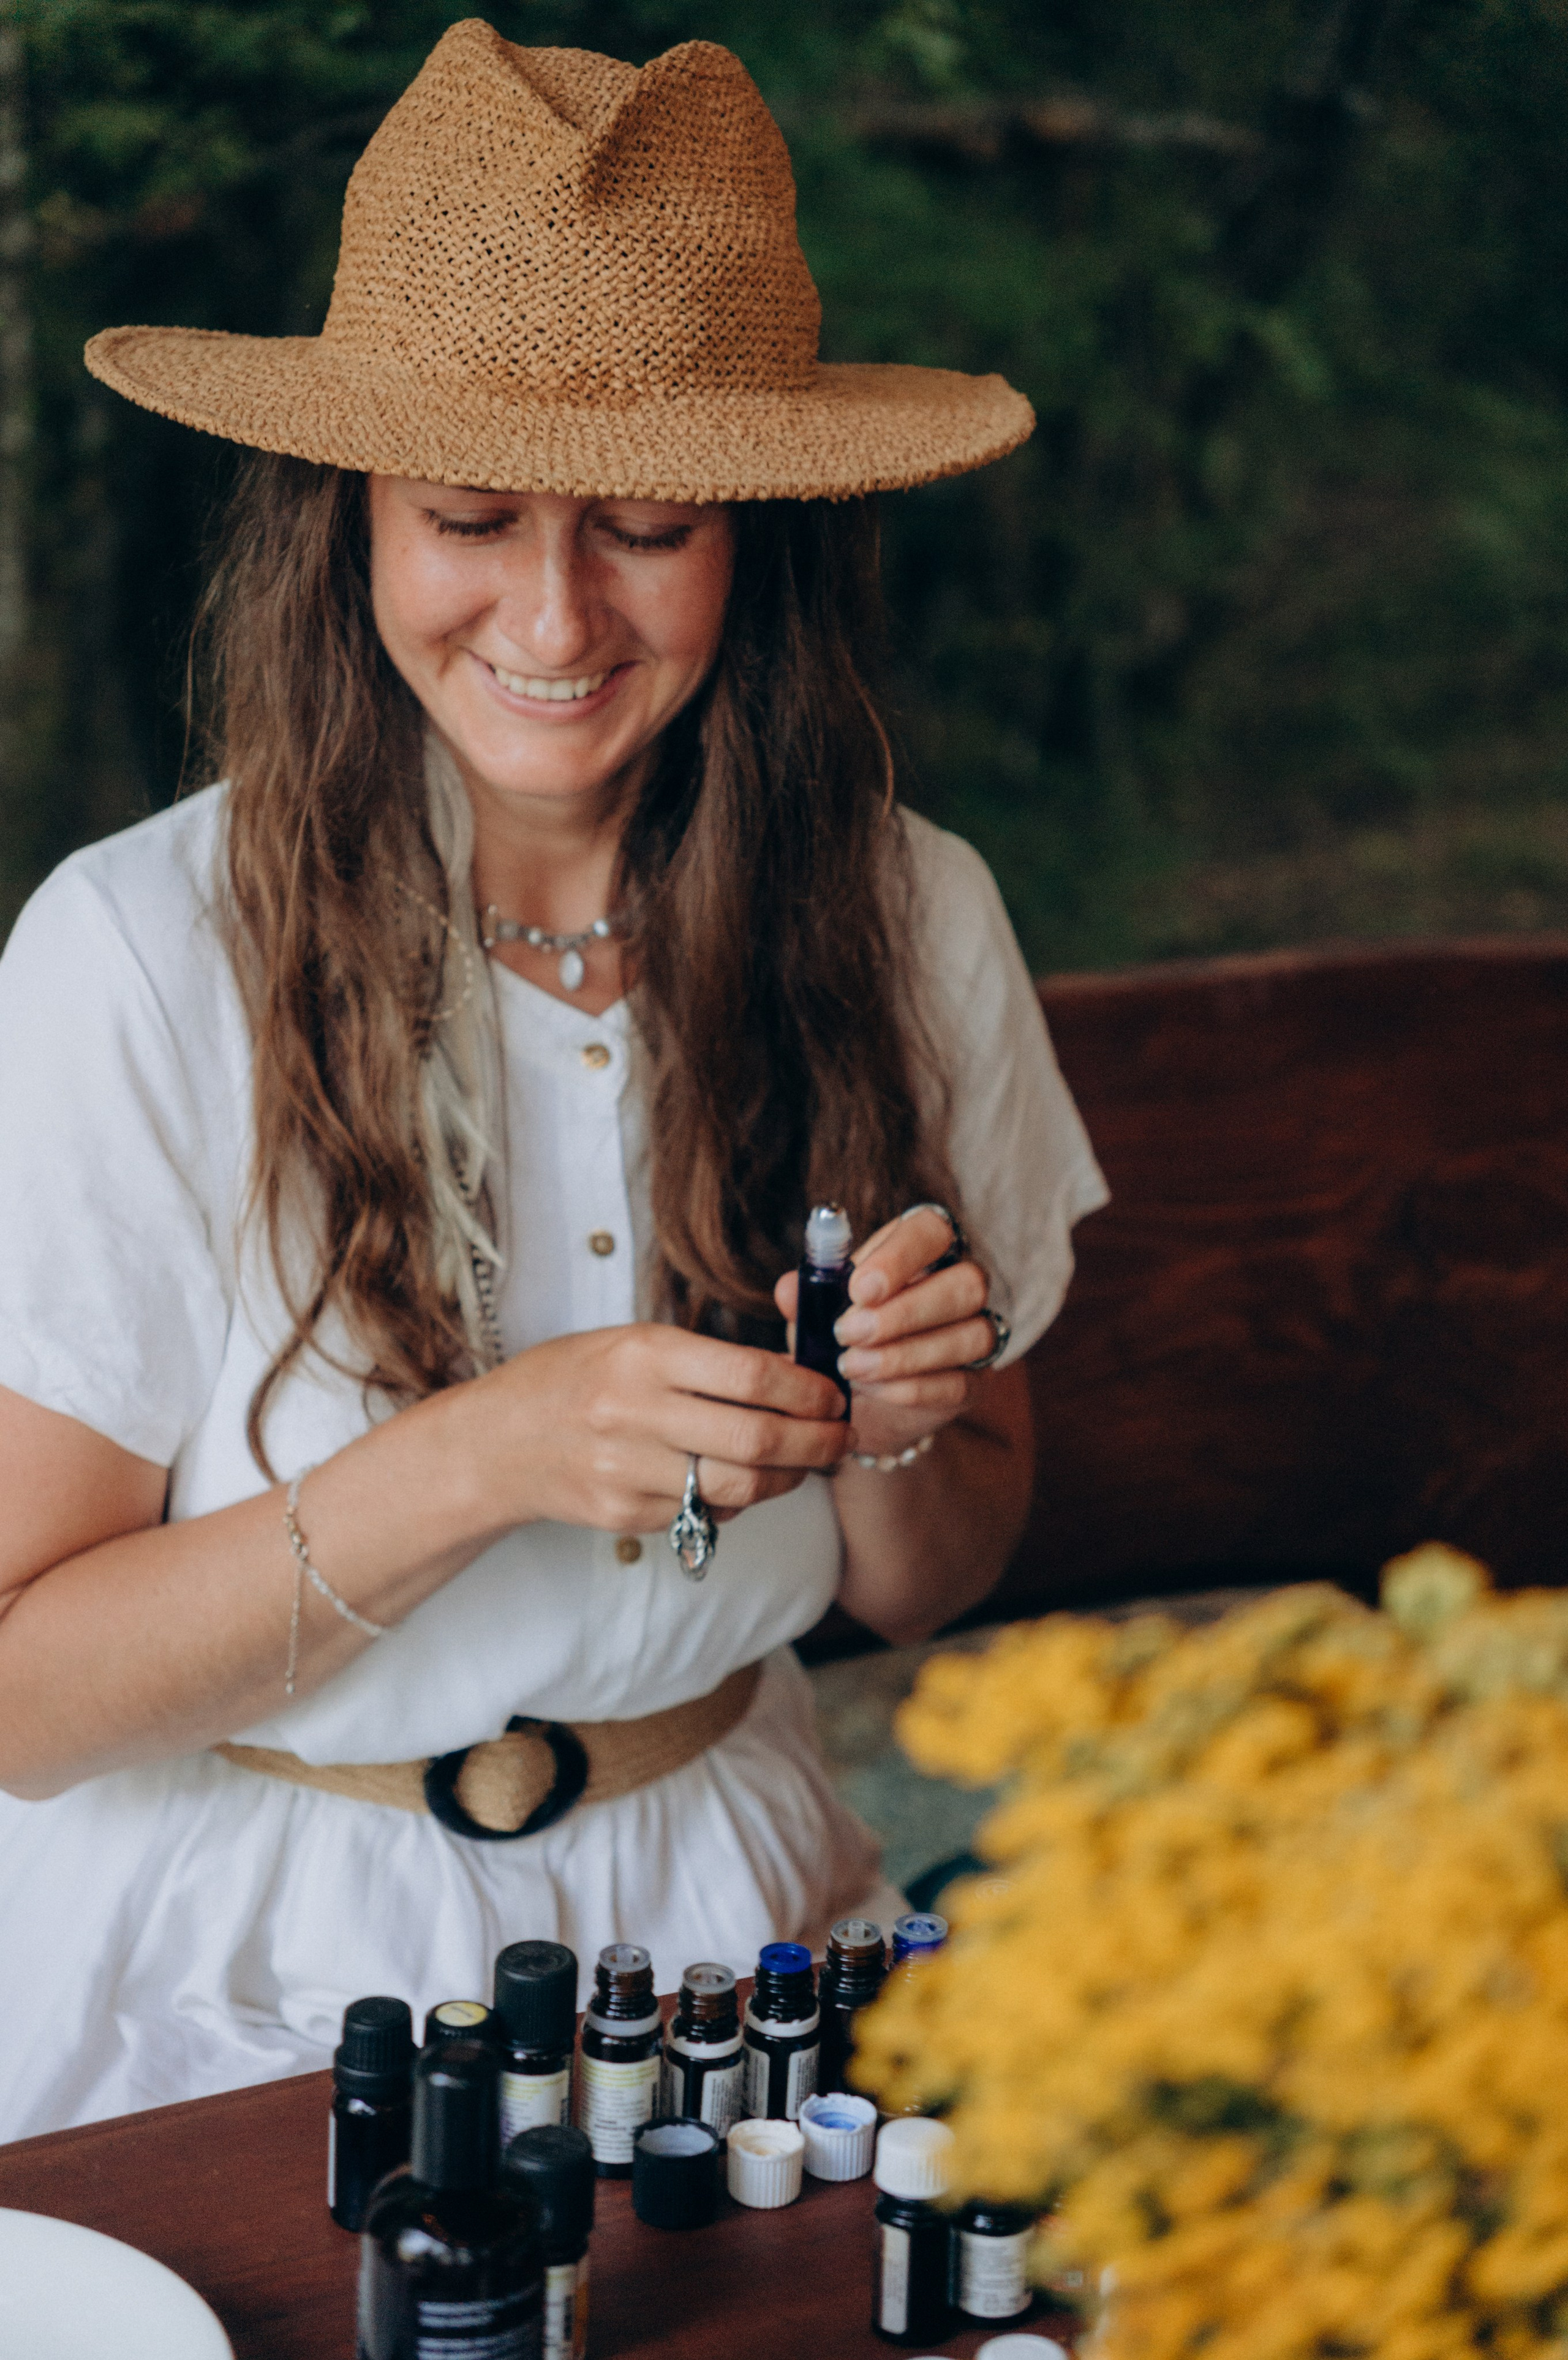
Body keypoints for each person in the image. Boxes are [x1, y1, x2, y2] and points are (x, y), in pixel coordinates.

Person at [0, 24, 1107, 2138]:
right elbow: (21, 1696)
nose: (553, 610)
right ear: (350, 526)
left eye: (651, 525)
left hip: (740, 1916)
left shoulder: (911, 909)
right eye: (472, 517)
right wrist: (488, 1454)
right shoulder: (136, 956)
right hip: (235, 1966)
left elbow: (929, 1573)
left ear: (759, 539)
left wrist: (895, 1426)